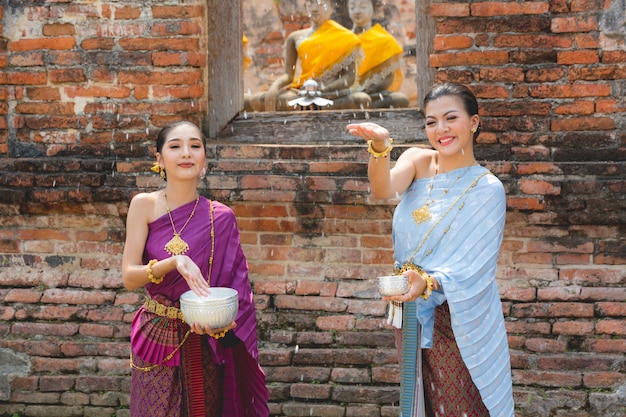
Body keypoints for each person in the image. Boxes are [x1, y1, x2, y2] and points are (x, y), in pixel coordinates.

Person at [347, 83, 514, 417]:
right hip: (410, 310)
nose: (441, 130)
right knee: (418, 397)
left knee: (460, 402)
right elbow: (382, 188)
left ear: (474, 122)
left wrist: (429, 282)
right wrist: (380, 146)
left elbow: (477, 266)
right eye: (431, 122)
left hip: (460, 314)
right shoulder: (416, 161)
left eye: (451, 118)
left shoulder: (487, 189)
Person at [122, 121, 270, 417]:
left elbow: (236, 290)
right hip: (157, 334)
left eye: (195, 146)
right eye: (175, 146)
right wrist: (174, 261)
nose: (186, 153)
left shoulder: (221, 217)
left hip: (203, 337)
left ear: (204, 159)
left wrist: (224, 323)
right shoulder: (144, 206)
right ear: (159, 159)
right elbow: (128, 276)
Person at [245, 0, 371, 112]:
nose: (314, 8)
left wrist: (323, 90)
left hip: (331, 94)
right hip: (301, 92)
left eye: (320, 3)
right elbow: (288, 75)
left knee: (361, 99)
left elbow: (349, 78)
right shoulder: (295, 37)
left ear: (331, 6)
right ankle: (313, 107)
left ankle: (311, 107)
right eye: (310, 3)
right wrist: (274, 87)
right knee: (266, 99)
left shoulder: (346, 37)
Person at [348, 0, 409, 108]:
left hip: (374, 95)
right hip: (349, 96)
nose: (357, 11)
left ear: (374, 8)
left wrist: (367, 91)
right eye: (352, 7)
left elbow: (388, 79)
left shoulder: (384, 40)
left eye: (363, 6)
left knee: (400, 99)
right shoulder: (343, 39)